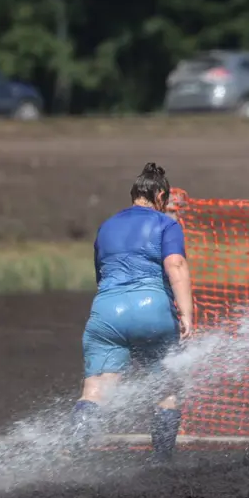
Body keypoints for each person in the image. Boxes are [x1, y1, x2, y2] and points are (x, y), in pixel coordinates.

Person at [69, 162, 194, 463]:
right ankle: (161, 462)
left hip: (107, 312)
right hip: (152, 312)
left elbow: (102, 275)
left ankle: (74, 457)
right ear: (161, 196)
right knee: (167, 390)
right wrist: (187, 315)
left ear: (134, 194)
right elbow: (175, 265)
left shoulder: (107, 226)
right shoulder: (167, 225)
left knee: (95, 391)